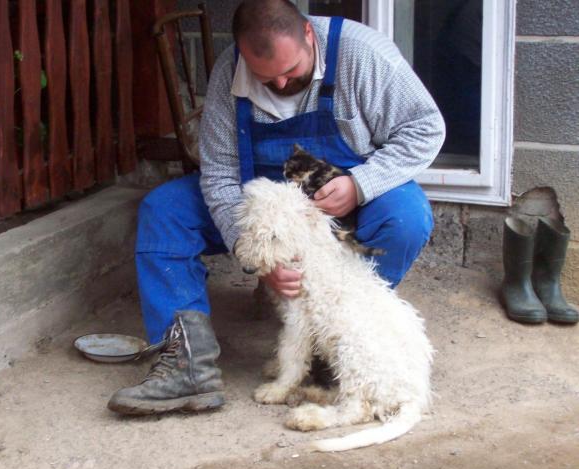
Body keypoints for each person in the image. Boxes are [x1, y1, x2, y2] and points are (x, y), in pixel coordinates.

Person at [107, 0, 445, 415]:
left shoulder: (362, 53)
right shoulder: (230, 70)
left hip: (343, 197)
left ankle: (333, 345)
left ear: (308, 35)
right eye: (267, 79)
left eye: (292, 72)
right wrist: (256, 255)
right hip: (260, 205)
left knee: (406, 217)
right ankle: (186, 364)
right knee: (163, 211)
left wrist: (361, 184)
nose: (282, 84)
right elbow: (219, 173)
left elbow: (426, 128)